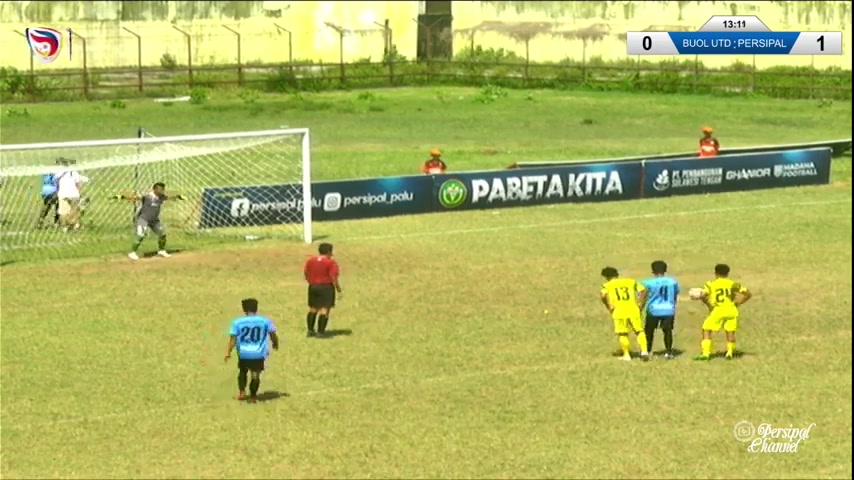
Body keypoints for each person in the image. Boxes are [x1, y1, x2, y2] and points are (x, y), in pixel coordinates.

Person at [225, 298, 279, 403]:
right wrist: (275, 343)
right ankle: (253, 397)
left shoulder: (237, 322)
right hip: (258, 354)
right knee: (255, 375)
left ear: (244, 309)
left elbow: (233, 339)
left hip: (244, 354)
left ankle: (242, 392)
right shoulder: (265, 321)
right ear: (256, 308)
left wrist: (228, 352)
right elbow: (273, 334)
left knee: (242, 371)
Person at [693, 264, 752, 361]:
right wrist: (738, 303)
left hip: (718, 310)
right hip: (731, 310)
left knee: (706, 329)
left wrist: (707, 303)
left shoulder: (711, 284)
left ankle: (706, 353)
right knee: (730, 331)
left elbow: (703, 295)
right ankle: (729, 352)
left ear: (715, 273)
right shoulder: (732, 284)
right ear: (728, 273)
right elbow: (748, 294)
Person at [113, 182, 185, 260]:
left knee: (162, 234)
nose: (161, 191)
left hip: (154, 220)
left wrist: (178, 197)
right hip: (143, 219)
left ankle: (161, 251)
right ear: (154, 189)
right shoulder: (148, 196)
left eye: (162, 189)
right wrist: (122, 197)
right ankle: (132, 253)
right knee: (140, 235)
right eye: (160, 189)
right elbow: (135, 197)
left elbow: (169, 197)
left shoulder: (161, 197)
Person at [600, 267, 649, 361]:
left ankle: (626, 355)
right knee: (639, 331)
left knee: (622, 333)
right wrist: (640, 303)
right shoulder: (629, 281)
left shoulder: (608, 285)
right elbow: (643, 290)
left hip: (619, 311)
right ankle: (644, 351)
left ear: (606, 277)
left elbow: (603, 295)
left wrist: (609, 306)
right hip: (633, 309)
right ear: (617, 274)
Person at [641, 260, 680, 359]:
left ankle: (648, 351)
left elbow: (644, 296)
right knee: (667, 331)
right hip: (668, 309)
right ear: (665, 270)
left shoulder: (648, 283)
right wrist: (673, 305)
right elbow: (675, 294)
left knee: (649, 331)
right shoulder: (673, 282)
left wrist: (640, 307)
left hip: (653, 310)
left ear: (652, 270)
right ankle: (668, 352)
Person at [304, 242, 342, 338]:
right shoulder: (331, 263)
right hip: (326, 287)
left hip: (313, 286)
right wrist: (338, 289)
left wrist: (310, 281)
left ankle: (310, 330)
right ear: (329, 251)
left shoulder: (311, 261)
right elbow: (334, 278)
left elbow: (306, 272)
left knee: (313, 308)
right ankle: (321, 332)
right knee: (325, 309)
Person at [55, 158, 89, 231]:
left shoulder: (58, 172)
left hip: (63, 193)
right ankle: (75, 225)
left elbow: (56, 183)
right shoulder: (74, 173)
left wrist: (58, 191)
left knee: (63, 211)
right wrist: (80, 194)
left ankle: (65, 227)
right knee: (75, 210)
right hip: (73, 193)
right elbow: (78, 184)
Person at [37, 162, 60, 228]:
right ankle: (56, 222)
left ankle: (40, 221)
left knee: (46, 206)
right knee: (57, 206)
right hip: (53, 191)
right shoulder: (56, 174)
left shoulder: (45, 174)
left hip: (44, 192)